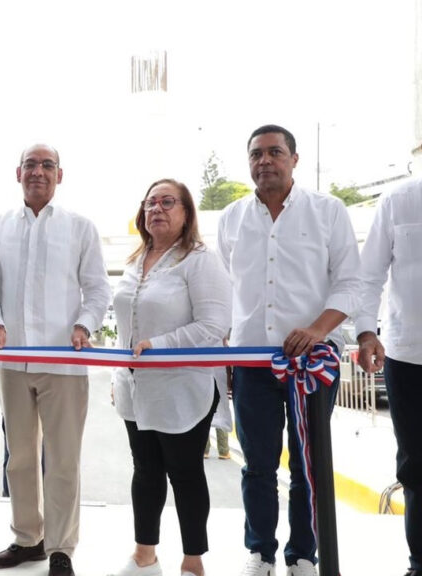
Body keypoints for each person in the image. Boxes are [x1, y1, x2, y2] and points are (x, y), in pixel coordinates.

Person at [217, 125, 360, 576]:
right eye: (256, 154)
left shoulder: (328, 212)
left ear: (294, 159)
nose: (265, 161)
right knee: (256, 464)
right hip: (252, 362)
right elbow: (226, 287)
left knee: (307, 465)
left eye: (275, 152)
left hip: (311, 365)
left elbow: (350, 283)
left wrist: (319, 329)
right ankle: (260, 552)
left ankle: (302, 555)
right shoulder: (231, 218)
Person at [0, 144, 111, 576]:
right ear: (17, 171)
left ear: (61, 175)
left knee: (62, 458)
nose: (39, 172)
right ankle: (28, 539)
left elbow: (97, 290)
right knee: (18, 457)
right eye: (31, 165)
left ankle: (61, 548)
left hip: (64, 362)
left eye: (48, 166)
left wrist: (85, 325)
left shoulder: (80, 228)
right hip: (13, 361)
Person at [110, 179, 231, 576]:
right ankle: (145, 553)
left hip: (183, 387)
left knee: (185, 473)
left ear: (186, 212)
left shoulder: (199, 259)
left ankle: (193, 561)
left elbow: (215, 324)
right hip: (136, 387)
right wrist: (119, 375)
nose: (157, 209)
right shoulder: (135, 259)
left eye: (167, 202)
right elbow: (126, 323)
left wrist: (158, 343)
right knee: (144, 470)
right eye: (150, 203)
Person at [355, 178, 422, 576]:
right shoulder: (399, 199)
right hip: (410, 356)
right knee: (416, 465)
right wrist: (366, 332)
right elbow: (370, 275)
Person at [204, 366, 232, 460]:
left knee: (204, 413)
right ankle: (223, 451)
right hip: (220, 375)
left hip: (203, 375)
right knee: (221, 413)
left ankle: (204, 450)